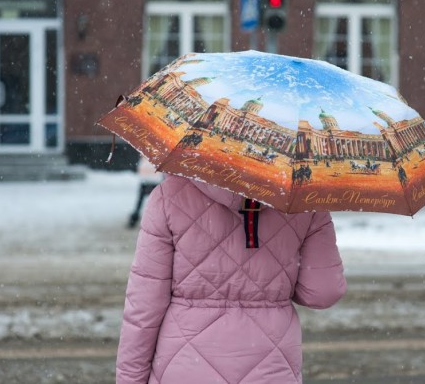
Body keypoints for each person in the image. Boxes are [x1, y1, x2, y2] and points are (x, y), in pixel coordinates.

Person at [116, 175, 347, 383]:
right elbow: (322, 292)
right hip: (271, 366)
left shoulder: (170, 195)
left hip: (184, 367)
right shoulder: (305, 202)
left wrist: (130, 379)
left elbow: (143, 308)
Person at [127, 156, 164, 228]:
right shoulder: (160, 154)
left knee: (140, 202)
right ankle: (157, 220)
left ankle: (134, 218)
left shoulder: (144, 154)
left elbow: (139, 168)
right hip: (155, 181)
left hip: (145, 181)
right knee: (157, 203)